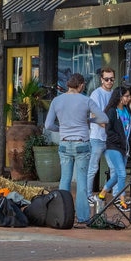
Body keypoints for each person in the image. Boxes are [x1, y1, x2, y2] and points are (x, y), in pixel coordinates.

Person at [43, 73, 109, 226]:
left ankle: (62, 214)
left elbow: (48, 125)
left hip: (65, 143)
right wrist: (90, 120)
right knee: (81, 182)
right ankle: (83, 217)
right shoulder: (86, 100)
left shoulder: (57, 101)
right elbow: (104, 119)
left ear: (68, 85)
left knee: (64, 180)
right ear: (81, 85)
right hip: (82, 144)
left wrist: (61, 129)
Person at [98, 86, 131, 211]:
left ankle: (102, 194)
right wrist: (119, 139)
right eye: (126, 96)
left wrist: (128, 143)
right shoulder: (112, 111)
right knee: (122, 174)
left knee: (118, 175)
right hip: (113, 146)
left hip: (124, 147)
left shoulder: (128, 111)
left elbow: (129, 129)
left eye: (129, 96)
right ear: (119, 96)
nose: (128, 99)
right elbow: (109, 129)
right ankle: (122, 201)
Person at [85, 67, 116, 202]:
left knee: (114, 167)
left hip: (109, 138)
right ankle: (88, 195)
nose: (109, 81)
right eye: (106, 79)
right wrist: (109, 127)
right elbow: (94, 115)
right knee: (93, 168)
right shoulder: (96, 94)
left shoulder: (114, 93)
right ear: (101, 79)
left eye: (112, 79)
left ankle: (115, 195)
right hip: (97, 137)